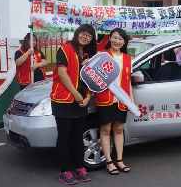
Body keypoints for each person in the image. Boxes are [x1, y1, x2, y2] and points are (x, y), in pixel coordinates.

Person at [50, 24, 97, 184]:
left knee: (78, 137)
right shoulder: (65, 49)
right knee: (64, 137)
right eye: (83, 33)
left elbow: (91, 79)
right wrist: (77, 95)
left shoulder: (89, 55)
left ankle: (79, 168)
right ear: (77, 33)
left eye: (89, 35)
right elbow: (62, 75)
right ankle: (64, 171)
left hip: (81, 102)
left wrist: (87, 96)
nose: (85, 37)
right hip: (63, 100)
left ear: (92, 39)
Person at [95, 28, 134, 175]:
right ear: (110, 39)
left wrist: (131, 100)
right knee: (105, 130)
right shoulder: (102, 55)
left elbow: (128, 81)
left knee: (119, 130)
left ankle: (120, 160)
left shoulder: (128, 59)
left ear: (124, 42)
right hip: (105, 98)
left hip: (122, 100)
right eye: (114, 38)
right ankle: (109, 162)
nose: (117, 41)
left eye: (120, 39)